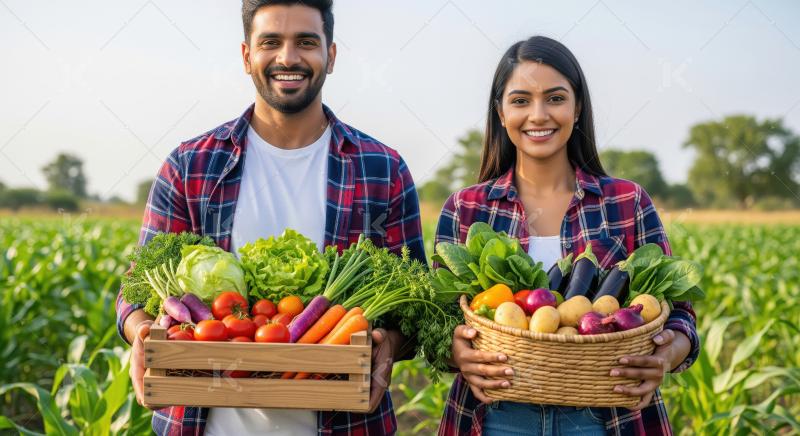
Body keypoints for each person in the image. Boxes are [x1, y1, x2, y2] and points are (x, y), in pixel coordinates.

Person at [115, 1, 424, 434]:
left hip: (347, 423)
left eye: (306, 42)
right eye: (271, 42)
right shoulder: (190, 166)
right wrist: (143, 333)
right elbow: (134, 290)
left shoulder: (382, 170)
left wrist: (388, 346)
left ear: (330, 55)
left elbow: (412, 308)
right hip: (203, 422)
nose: (288, 58)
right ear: (247, 56)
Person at [435, 36, 699, 435]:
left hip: (609, 414)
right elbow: (436, 319)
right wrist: (456, 352)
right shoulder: (466, 208)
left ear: (577, 108)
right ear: (500, 112)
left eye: (555, 98)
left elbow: (679, 314)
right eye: (520, 100)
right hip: (494, 414)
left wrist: (667, 355)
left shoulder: (626, 201)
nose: (538, 115)